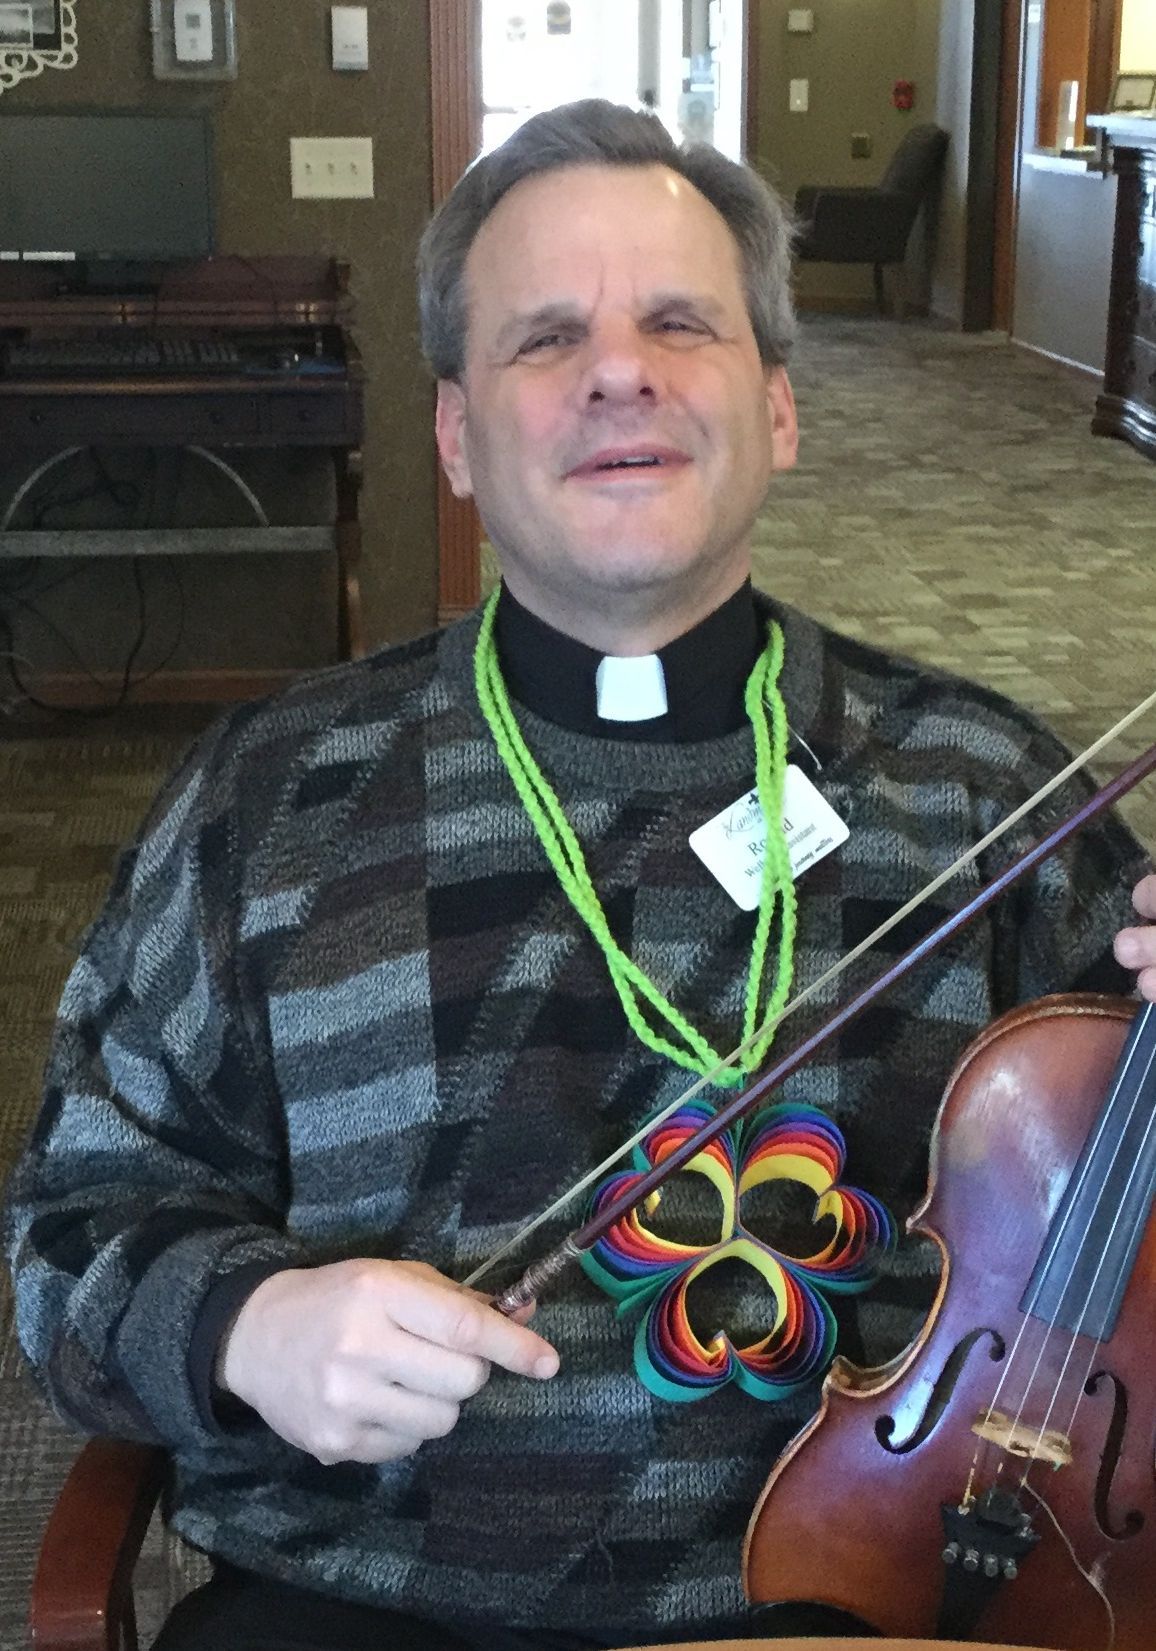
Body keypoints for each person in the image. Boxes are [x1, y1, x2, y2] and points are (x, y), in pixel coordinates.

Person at [5, 99, 1156, 1651]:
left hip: (868, 1597)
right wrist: (245, 1326)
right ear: (459, 437)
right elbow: (72, 1227)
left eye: (680, 320)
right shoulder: (266, 794)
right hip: (370, 1603)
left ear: (780, 406)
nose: (622, 368)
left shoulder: (984, 785)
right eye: (548, 337)